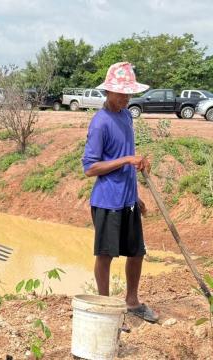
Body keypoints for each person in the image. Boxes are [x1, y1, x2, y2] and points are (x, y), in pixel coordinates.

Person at [82, 62, 159, 323]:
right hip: (107, 202)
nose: (127, 98)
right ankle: (105, 308)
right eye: (122, 93)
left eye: (129, 93)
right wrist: (127, 160)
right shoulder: (100, 123)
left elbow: (125, 156)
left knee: (136, 252)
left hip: (127, 200)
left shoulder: (126, 116)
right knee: (105, 256)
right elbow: (90, 168)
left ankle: (132, 301)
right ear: (108, 92)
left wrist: (135, 195)